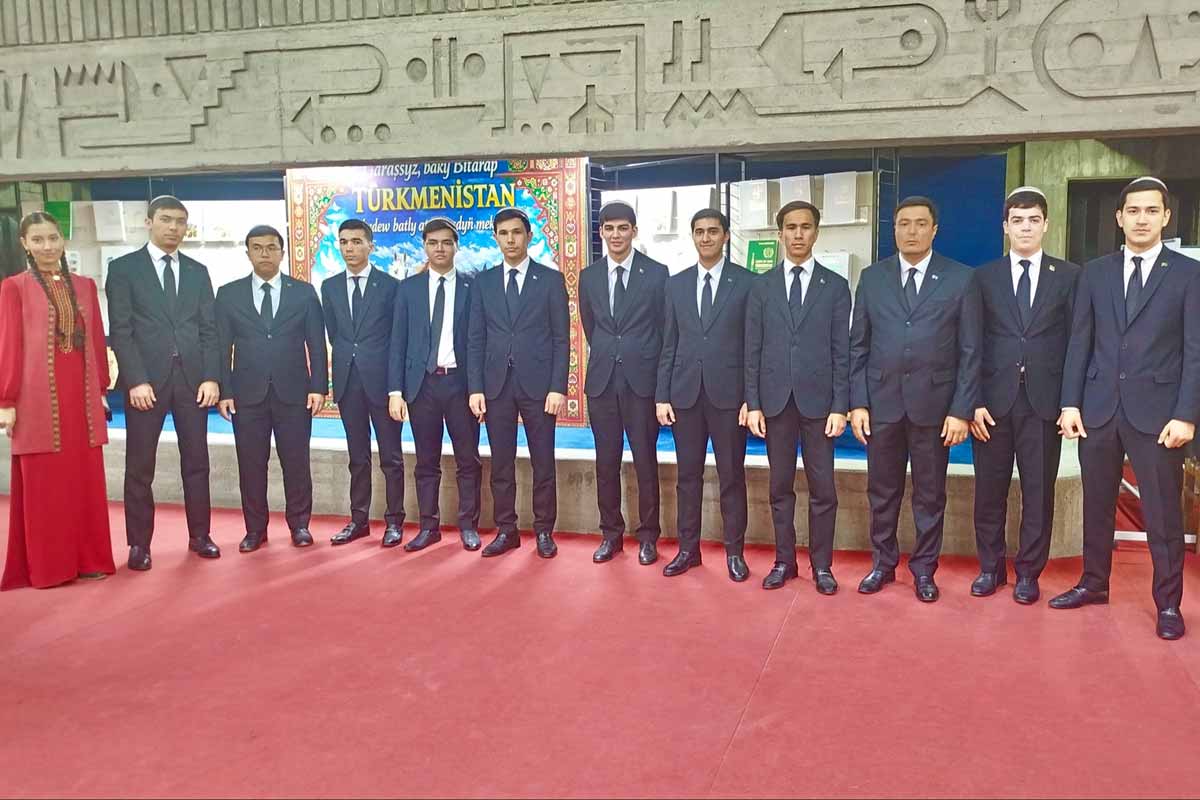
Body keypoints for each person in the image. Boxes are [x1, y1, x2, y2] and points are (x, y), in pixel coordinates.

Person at [1053, 176, 1200, 641]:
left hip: (1159, 415)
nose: (1141, 219)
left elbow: (1195, 351)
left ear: (1166, 217)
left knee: (1162, 513)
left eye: (1151, 211)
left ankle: (1168, 603)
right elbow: (1080, 341)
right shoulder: (1094, 273)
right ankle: (1094, 583)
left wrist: (1187, 414)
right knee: (1096, 504)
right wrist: (1070, 403)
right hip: (1098, 409)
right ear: (1119, 218)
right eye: (1133, 211)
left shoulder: (1188, 274)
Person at [849, 196, 981, 602]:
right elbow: (858, 346)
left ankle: (925, 570)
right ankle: (882, 564)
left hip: (935, 407)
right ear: (894, 229)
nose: (911, 231)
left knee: (930, 494)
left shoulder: (961, 279)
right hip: (882, 404)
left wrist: (961, 410)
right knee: (881, 491)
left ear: (934, 230)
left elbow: (971, 350)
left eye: (920, 223)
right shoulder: (873, 278)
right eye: (903, 223)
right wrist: (858, 403)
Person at [970, 188, 1079, 604]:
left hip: (1043, 403)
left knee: (1038, 492)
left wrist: (1070, 402)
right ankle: (990, 568)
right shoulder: (983, 278)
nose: (1026, 227)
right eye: (1017, 220)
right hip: (991, 404)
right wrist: (972, 400)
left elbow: (1077, 343)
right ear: (1006, 227)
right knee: (989, 491)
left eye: (1034, 220)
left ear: (1046, 224)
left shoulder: (1068, 276)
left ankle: (1029, 573)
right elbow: (971, 344)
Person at [0, 211, 115, 589]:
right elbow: (9, 344)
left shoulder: (84, 286)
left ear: (63, 240)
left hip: (81, 400)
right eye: (38, 240)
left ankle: (89, 559)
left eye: (52, 238)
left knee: (82, 481)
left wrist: (101, 391)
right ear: (24, 244)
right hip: (36, 400)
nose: (47, 246)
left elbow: (96, 340)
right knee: (45, 485)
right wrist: (6, 399)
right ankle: (50, 567)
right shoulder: (13, 287)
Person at [106, 195, 221, 570]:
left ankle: (200, 535)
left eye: (180, 221)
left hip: (192, 380)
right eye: (166, 219)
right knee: (140, 467)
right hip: (146, 384)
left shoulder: (197, 271)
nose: (174, 227)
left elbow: (209, 330)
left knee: (197, 462)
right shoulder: (123, 269)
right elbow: (121, 331)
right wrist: (135, 380)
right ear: (149, 222)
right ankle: (139, 544)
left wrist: (211, 376)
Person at [745, 200, 850, 592]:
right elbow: (752, 350)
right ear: (780, 234)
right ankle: (784, 561)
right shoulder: (761, 287)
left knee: (824, 489)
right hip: (775, 402)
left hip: (820, 405)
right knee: (779, 486)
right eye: (791, 227)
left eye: (805, 227)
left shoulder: (835, 287)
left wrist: (841, 405)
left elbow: (843, 352)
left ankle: (822, 566)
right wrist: (754, 403)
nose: (798, 234)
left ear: (816, 233)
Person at [215, 225, 327, 552]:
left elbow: (316, 344)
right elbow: (221, 347)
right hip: (246, 395)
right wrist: (225, 391)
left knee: (296, 463)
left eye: (271, 247)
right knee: (251, 465)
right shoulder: (229, 294)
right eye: (257, 247)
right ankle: (255, 530)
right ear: (248, 252)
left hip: (294, 393)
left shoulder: (304, 293)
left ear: (282, 252)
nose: (264, 253)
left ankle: (300, 525)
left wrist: (318, 387)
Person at [656, 208, 755, 582]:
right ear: (693, 236)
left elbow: (753, 346)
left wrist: (751, 398)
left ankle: (734, 552)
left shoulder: (747, 283)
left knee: (731, 476)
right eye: (699, 232)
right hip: (685, 395)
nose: (706, 238)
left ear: (726, 236)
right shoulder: (676, 284)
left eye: (713, 231)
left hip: (729, 396)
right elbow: (669, 342)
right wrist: (662, 395)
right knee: (687, 477)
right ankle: (688, 550)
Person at [467, 207, 570, 559]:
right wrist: (475, 388)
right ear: (495, 238)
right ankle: (506, 530)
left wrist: (558, 386)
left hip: (540, 386)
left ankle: (544, 531)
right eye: (503, 233)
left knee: (543, 462)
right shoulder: (483, 282)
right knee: (501, 463)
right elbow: (475, 338)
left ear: (529, 236)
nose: (510, 239)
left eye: (516, 232)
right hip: (495, 385)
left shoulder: (550, 280)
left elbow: (561, 338)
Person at [578, 201, 668, 566]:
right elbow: (592, 326)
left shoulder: (657, 273)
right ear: (601, 232)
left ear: (634, 230)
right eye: (609, 228)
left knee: (645, 462)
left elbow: (663, 329)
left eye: (623, 228)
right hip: (602, 382)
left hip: (642, 382)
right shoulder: (589, 276)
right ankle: (610, 535)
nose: (616, 235)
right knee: (605, 463)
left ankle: (648, 537)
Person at [388, 218, 483, 552]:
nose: (439, 249)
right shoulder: (408, 289)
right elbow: (397, 342)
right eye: (432, 242)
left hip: (460, 384)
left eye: (446, 242)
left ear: (456, 246)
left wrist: (478, 388)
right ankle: (429, 527)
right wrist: (395, 391)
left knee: (468, 460)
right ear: (424, 246)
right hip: (421, 386)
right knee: (426, 462)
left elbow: (480, 341)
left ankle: (468, 526)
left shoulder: (473, 286)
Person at [320, 219, 406, 548]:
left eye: (356, 242)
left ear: (371, 246)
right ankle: (358, 521)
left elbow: (397, 339)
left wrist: (397, 388)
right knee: (357, 457)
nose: (349, 248)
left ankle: (394, 522)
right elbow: (335, 334)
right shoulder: (329, 287)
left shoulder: (391, 286)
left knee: (391, 458)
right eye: (344, 242)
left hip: (382, 383)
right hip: (348, 382)